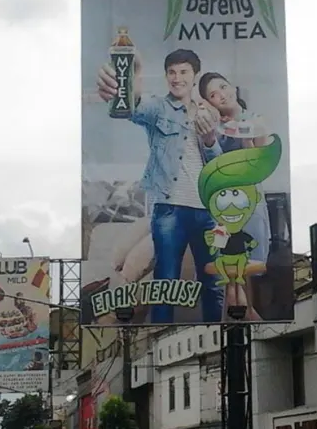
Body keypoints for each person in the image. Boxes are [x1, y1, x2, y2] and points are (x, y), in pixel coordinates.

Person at [96, 48, 225, 323]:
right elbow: (132, 105)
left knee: (213, 281)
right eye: (171, 73)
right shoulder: (159, 108)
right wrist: (134, 73)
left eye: (183, 72)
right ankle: (158, 338)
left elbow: (218, 167)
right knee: (165, 284)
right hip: (169, 210)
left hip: (206, 211)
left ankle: (218, 335)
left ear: (195, 76)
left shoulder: (209, 114)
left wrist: (211, 138)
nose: (177, 78)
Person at [197, 71, 275, 318]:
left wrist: (246, 139)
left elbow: (259, 167)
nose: (221, 95)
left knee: (247, 270)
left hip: (251, 206)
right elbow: (216, 168)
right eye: (213, 94)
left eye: (223, 87)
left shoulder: (257, 120)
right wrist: (211, 138)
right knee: (228, 277)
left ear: (233, 87)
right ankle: (238, 326)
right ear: (208, 103)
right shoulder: (211, 130)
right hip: (222, 209)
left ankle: (247, 324)